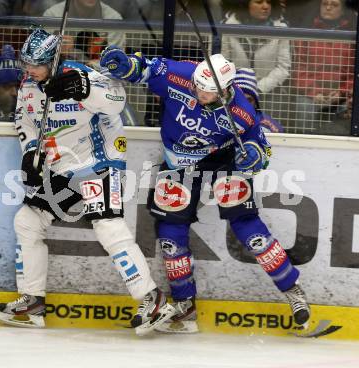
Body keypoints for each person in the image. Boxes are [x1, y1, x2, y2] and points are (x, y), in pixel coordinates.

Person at [100, 46, 311, 333]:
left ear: (226, 90)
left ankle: (292, 289)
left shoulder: (241, 111)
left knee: (249, 229)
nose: (200, 94)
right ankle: (184, 305)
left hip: (223, 159)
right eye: (198, 87)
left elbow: (260, 149)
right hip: (179, 162)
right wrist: (127, 65)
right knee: (170, 234)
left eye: (208, 91)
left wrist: (252, 155)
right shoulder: (182, 75)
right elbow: (145, 68)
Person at [0, 28, 176, 335]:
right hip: (62, 168)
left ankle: (152, 298)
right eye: (26, 63)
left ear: (53, 60)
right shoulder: (28, 85)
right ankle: (33, 300)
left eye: (36, 64)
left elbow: (117, 100)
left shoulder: (79, 75)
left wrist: (83, 89)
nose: (29, 70)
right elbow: (25, 121)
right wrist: (29, 153)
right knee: (27, 222)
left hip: (97, 164)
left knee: (108, 227)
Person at [292, 0, 355, 132]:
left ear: (343, 10)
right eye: (324, 4)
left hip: (341, 96)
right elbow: (300, 68)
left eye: (334, 5)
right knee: (303, 106)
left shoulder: (352, 34)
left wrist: (342, 92)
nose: (328, 7)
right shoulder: (306, 31)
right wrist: (314, 92)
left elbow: (354, 71)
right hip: (312, 94)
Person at [221, 0, 291, 117]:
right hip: (237, 90)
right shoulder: (229, 25)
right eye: (259, 2)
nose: (265, 6)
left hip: (269, 93)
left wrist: (258, 89)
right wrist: (241, 87)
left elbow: (283, 68)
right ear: (246, 4)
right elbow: (224, 64)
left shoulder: (281, 28)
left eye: (269, 2)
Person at [43, 0, 125, 60]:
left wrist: (89, 66)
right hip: (60, 72)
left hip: (99, 75)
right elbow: (38, 55)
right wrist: (55, 49)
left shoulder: (113, 18)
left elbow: (117, 59)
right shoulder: (53, 15)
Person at [235, 68, 284, 133]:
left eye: (249, 100)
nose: (244, 105)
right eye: (240, 99)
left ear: (255, 102)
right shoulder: (219, 119)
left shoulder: (269, 127)